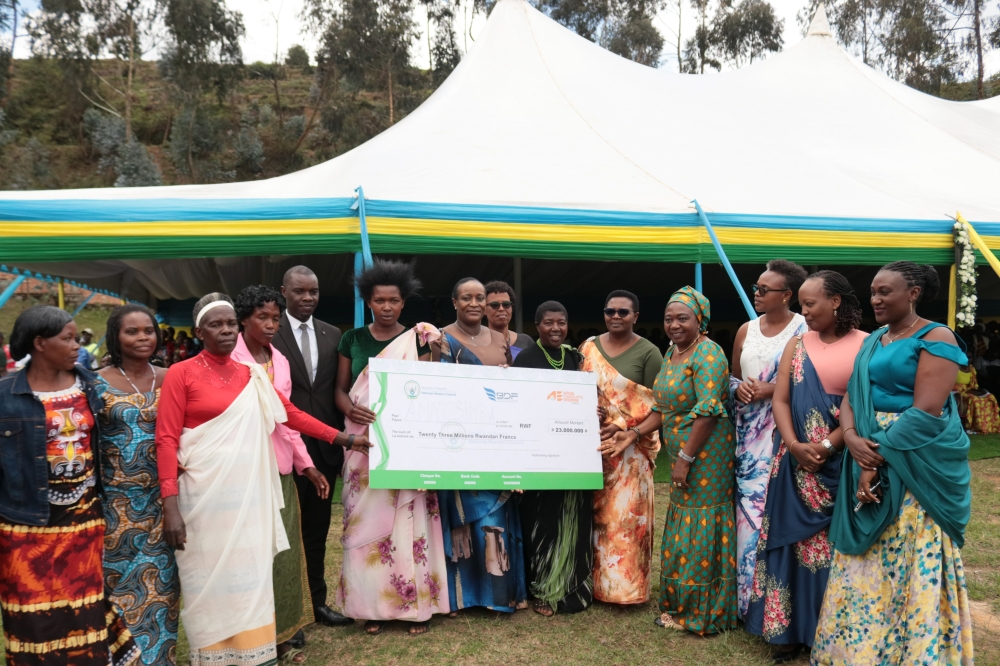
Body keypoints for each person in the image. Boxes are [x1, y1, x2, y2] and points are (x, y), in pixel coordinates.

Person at [156, 294, 366, 666]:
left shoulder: (249, 374)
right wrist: (169, 504)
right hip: (203, 493)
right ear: (200, 331)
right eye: (215, 325)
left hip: (250, 488)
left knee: (251, 570)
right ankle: (215, 653)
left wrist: (345, 439)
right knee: (208, 571)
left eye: (229, 324)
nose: (224, 330)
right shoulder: (181, 373)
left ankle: (256, 652)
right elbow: (167, 439)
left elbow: (290, 415)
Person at [813, 262, 974, 664]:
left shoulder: (936, 336)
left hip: (912, 459)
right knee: (866, 559)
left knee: (906, 552)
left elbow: (926, 411)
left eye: (885, 291)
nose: (875, 299)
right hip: (864, 445)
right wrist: (849, 438)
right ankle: (859, 651)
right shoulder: (875, 340)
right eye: (872, 292)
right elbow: (852, 394)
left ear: (914, 292)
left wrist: (874, 459)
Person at [0, 305, 139, 666]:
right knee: (31, 615)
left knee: (84, 609)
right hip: (25, 526)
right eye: (68, 338)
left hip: (82, 521)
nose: (78, 345)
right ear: (40, 343)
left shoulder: (89, 384)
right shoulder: (5, 396)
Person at [743, 272, 867, 662]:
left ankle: (825, 633)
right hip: (792, 462)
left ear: (836, 302)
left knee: (832, 551)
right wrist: (795, 445)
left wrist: (828, 445)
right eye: (803, 303)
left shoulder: (867, 345)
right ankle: (788, 633)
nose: (805, 312)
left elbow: (864, 406)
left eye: (811, 304)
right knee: (789, 545)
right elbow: (780, 400)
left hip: (841, 461)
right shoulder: (797, 343)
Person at [334, 259, 449, 635]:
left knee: (409, 522)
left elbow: (431, 389)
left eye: (394, 301)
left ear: (403, 303)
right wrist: (351, 409)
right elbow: (339, 389)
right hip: (362, 443)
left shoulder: (419, 338)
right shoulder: (352, 339)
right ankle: (371, 608)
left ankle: (414, 608)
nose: (386, 307)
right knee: (363, 522)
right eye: (379, 300)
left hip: (407, 443)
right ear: (368, 301)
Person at [231, 285, 332, 661]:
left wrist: (306, 465)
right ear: (243, 319)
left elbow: (287, 422)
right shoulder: (233, 361)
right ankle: (252, 636)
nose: (272, 325)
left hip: (281, 470)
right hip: (243, 471)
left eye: (275, 317)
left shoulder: (280, 361)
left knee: (284, 555)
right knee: (251, 557)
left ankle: (284, 633)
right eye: (263, 317)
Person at [435, 277, 527, 615]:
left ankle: (497, 595)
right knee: (461, 517)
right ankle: (462, 596)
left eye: (479, 298)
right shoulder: (439, 338)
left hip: (497, 439)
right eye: (466, 298)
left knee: (496, 515)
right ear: (455, 302)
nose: (474, 303)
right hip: (457, 439)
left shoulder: (501, 338)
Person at [94, 305, 179, 666]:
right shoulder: (94, 381)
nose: (143, 337)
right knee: (120, 590)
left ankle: (161, 659)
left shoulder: (171, 376)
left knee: (163, 587)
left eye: (149, 330)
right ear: (116, 337)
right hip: (117, 504)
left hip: (166, 501)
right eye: (133, 331)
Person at [651, 286, 738, 635]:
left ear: (699, 321)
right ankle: (680, 601)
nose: (674, 324)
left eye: (682, 318)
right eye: (669, 318)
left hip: (707, 454)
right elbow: (663, 407)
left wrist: (685, 458)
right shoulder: (672, 352)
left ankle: (702, 612)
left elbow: (708, 412)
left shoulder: (709, 354)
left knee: (702, 526)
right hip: (683, 452)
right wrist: (633, 432)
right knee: (685, 525)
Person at [272, 266, 351, 629]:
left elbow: (336, 389)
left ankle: (317, 604)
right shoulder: (270, 331)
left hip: (325, 449)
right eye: (300, 292)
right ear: (284, 292)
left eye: (314, 292)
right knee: (285, 533)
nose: (308, 298)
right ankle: (287, 613)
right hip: (283, 450)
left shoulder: (333, 333)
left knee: (317, 531)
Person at [729, 259, 808, 617]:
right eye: (755, 288)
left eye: (764, 289)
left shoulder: (805, 328)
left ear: (787, 294)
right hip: (746, 437)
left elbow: (816, 382)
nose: (756, 294)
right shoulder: (746, 329)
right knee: (747, 519)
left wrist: (771, 389)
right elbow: (731, 378)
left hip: (786, 433)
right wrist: (740, 389)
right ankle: (747, 603)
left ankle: (778, 602)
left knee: (775, 515)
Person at [578, 290, 663, 605]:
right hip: (591, 447)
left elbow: (661, 407)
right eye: (610, 311)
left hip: (630, 453)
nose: (616, 316)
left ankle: (625, 591)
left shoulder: (649, 353)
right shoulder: (587, 348)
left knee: (625, 520)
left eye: (623, 312)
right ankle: (592, 585)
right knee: (594, 518)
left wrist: (627, 427)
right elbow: (573, 391)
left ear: (636, 316)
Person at [513, 301, 593, 616]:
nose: (556, 329)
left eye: (561, 322)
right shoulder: (526, 360)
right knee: (543, 524)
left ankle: (572, 588)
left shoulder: (575, 358)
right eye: (549, 323)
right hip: (539, 458)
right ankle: (545, 589)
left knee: (574, 521)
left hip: (573, 457)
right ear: (537, 326)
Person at [483, 280, 534, 358]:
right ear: (484, 310)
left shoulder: (526, 342)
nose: (501, 309)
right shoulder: (476, 343)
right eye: (494, 305)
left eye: (506, 304)